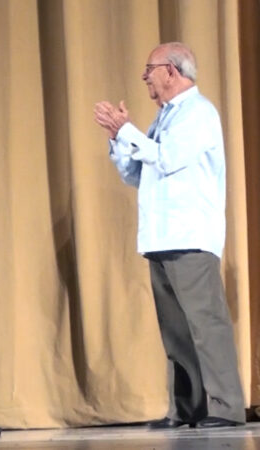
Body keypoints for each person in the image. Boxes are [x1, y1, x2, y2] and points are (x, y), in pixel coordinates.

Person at [94, 42, 245, 429]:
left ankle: (225, 407)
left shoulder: (197, 112)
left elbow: (169, 158)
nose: (145, 76)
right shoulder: (163, 118)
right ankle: (186, 408)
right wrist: (118, 139)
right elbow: (136, 174)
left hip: (189, 236)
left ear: (172, 71)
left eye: (150, 69)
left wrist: (126, 130)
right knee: (175, 331)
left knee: (206, 325)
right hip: (160, 237)